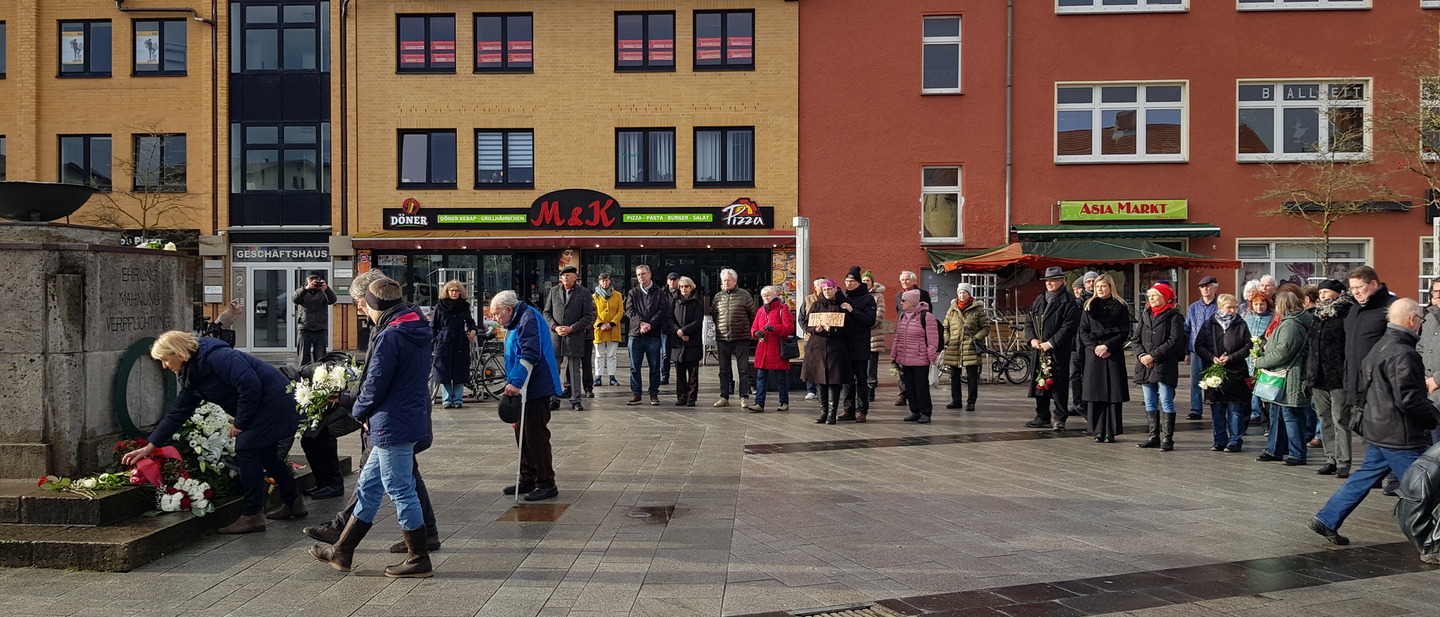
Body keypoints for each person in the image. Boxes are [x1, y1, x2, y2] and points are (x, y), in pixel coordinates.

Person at [302, 269, 443, 556]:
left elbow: (375, 381)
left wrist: (358, 410)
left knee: (400, 488)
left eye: (360, 303)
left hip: (391, 420)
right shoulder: (410, 324)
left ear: (371, 300)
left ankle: (419, 555)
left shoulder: (391, 333)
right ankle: (342, 549)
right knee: (370, 484)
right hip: (399, 417)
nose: (360, 309)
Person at [123, 330, 305, 535]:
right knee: (267, 455)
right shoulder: (192, 373)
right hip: (263, 405)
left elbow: (250, 385)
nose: (164, 366)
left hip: (275, 402)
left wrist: (241, 422)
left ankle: (253, 515)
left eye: (165, 360)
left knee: (246, 449)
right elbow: (178, 412)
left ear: (178, 352)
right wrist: (150, 446)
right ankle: (293, 502)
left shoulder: (217, 357)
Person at [1310, 298, 1437, 551]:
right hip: (1399, 435)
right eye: (1421, 320)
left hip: (1378, 428)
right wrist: (1433, 415)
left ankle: (1326, 519)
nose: (1421, 325)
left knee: (1364, 477)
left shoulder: (1381, 344)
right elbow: (1408, 399)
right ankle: (1428, 543)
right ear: (1412, 320)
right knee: (1422, 488)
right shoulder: (1404, 352)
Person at [493, 289, 564, 501]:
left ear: (508, 309)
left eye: (497, 314)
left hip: (536, 386)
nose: (495, 318)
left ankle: (546, 482)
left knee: (535, 435)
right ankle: (528, 477)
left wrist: (515, 383)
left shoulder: (528, 318)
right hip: (525, 385)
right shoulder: (516, 320)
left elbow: (530, 352)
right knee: (521, 433)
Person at [1345, 266, 1398, 492]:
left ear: (1374, 284)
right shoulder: (1354, 309)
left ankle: (1394, 475)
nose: (1355, 292)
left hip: (1381, 383)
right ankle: (1373, 474)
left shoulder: (1389, 308)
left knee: (1387, 430)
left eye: (1359, 287)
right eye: (1352, 288)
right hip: (1356, 381)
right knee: (1367, 431)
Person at [1254, 290, 1314, 466]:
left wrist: (1260, 361)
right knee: (1277, 414)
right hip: (1285, 375)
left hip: (1289, 377)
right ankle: (1274, 450)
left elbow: (1283, 352)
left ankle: (1297, 453)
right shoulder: (1292, 321)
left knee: (1290, 415)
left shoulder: (1291, 324)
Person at [1195, 293, 1254, 453]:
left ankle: (1235, 440)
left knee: (1235, 409)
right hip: (1215, 372)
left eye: (1235, 307)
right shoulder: (1209, 324)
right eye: (1229, 308)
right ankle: (1219, 440)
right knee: (1217, 409)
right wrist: (1212, 358)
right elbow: (1199, 345)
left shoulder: (1240, 324)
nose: (1233, 311)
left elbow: (1248, 345)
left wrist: (1231, 357)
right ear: (1220, 307)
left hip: (1235, 372)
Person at [1025, 267, 1081, 431]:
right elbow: (1029, 320)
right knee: (1040, 382)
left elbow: (1069, 327)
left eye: (1053, 280)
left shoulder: (1069, 302)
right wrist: (1031, 339)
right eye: (1047, 280)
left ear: (1062, 281)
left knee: (1058, 385)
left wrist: (1051, 343)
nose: (1049, 283)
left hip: (1058, 350)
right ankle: (1042, 416)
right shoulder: (1040, 299)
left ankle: (1060, 417)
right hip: (1039, 349)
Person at [1308, 279, 1353, 477]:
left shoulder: (1346, 313)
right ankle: (1331, 459)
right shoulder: (1317, 314)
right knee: (1324, 419)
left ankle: (1344, 461)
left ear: (1338, 293)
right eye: (1320, 292)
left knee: (1340, 419)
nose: (1323, 295)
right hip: (1318, 375)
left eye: (1326, 292)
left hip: (1338, 376)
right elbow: (1311, 346)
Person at [1133, 282, 1186, 451]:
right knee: (1149, 401)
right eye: (1149, 296)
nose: (1151, 298)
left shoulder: (1175, 317)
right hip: (1145, 365)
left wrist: (1153, 356)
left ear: (1165, 297)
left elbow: (1174, 341)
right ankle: (1153, 436)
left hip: (1164, 365)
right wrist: (1142, 356)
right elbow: (1136, 339)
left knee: (1166, 400)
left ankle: (1168, 439)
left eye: (1155, 295)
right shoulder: (1146, 314)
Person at [1079, 274, 1130, 443]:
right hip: (1094, 355)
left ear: (1110, 287)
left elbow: (1124, 331)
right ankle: (1098, 430)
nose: (1100, 289)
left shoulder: (1120, 306)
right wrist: (1095, 347)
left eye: (1103, 286)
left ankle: (1111, 431)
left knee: (1112, 394)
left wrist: (1107, 346)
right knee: (1096, 393)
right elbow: (1083, 331)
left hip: (1113, 354)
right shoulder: (1089, 306)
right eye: (1098, 286)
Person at [543, 266, 596, 412]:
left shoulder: (584, 292)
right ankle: (554, 398)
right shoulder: (554, 291)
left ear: (575, 277)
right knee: (554, 369)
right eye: (563, 275)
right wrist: (555, 327)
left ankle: (576, 400)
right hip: (557, 337)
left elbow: (588, 315)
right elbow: (546, 313)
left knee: (574, 370)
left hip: (575, 336)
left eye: (568, 275)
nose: (565, 277)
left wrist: (572, 328)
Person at [802, 279, 850, 424]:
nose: (827, 292)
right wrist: (814, 329)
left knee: (834, 381)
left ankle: (832, 414)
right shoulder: (816, 305)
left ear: (835, 289)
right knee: (820, 380)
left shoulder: (842, 305)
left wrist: (833, 330)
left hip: (836, 349)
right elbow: (806, 323)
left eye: (829, 289)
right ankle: (823, 413)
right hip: (817, 348)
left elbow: (849, 328)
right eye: (824, 289)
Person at [711, 268, 758, 408]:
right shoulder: (718, 297)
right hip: (722, 338)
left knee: (743, 369)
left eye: (728, 280)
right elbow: (714, 315)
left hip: (741, 337)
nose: (726, 282)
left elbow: (753, 314)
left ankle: (744, 396)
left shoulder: (745, 295)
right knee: (723, 370)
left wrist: (748, 331)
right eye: (724, 280)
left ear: (735, 281)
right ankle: (724, 396)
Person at [893, 288, 941, 423]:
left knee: (921, 387)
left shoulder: (926, 316)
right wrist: (894, 353)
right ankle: (915, 411)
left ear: (913, 302)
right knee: (909, 386)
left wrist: (932, 355)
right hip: (905, 357)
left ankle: (925, 412)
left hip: (920, 357)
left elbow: (932, 338)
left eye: (904, 300)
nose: (901, 303)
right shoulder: (903, 316)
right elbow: (898, 336)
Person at [624, 265, 670, 406]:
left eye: (643, 274)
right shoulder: (633, 292)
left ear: (650, 274)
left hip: (653, 334)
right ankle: (636, 393)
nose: (640, 277)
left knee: (655, 366)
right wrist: (641, 323)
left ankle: (653, 393)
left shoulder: (660, 293)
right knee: (634, 366)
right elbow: (629, 310)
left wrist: (649, 324)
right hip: (635, 334)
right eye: (638, 274)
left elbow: (662, 310)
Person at [940, 282, 990, 412]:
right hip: (954, 346)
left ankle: (971, 402)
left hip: (970, 346)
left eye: (964, 293)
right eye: (960, 293)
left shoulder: (977, 309)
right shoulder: (952, 309)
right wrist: (947, 339)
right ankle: (956, 401)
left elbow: (985, 327)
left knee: (972, 376)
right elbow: (945, 327)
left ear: (969, 294)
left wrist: (976, 338)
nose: (962, 295)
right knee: (954, 375)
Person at [431, 280, 480, 409]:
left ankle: (458, 399)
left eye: (456, 291)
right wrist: (435, 340)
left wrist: (473, 331)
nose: (454, 293)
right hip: (444, 341)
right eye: (451, 290)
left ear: (460, 292)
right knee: (444, 371)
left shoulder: (464, 306)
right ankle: (447, 399)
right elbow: (433, 326)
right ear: (447, 292)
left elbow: (470, 322)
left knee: (460, 371)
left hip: (460, 341)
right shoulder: (439, 306)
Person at [839, 266, 878, 420]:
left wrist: (852, 310)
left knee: (861, 378)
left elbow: (869, 321)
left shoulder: (867, 298)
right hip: (845, 344)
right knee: (846, 379)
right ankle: (848, 409)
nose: (848, 284)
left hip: (860, 343)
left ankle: (862, 410)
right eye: (846, 281)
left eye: (852, 281)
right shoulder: (843, 296)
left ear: (858, 282)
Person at [749, 285, 796, 413]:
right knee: (761, 377)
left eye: (768, 295)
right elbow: (754, 327)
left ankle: (784, 402)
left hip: (777, 349)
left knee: (780, 378)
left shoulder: (782, 309)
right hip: (763, 348)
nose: (765, 297)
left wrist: (775, 328)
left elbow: (789, 328)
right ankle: (759, 403)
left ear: (775, 295)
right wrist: (756, 333)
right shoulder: (761, 310)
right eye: (763, 295)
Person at [893, 270, 931, 408]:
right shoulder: (898, 295)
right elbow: (899, 313)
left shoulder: (922, 294)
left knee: (919, 375)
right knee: (902, 370)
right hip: (904, 334)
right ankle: (904, 394)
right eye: (902, 280)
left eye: (907, 279)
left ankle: (922, 405)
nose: (904, 282)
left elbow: (928, 313)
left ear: (914, 281)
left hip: (917, 337)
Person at [1186, 276, 1221, 420]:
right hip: (1196, 350)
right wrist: (1186, 352)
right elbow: (1187, 329)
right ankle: (1196, 409)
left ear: (1215, 287)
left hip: (1215, 350)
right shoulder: (1193, 307)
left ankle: (1216, 407)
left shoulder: (1220, 305)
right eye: (1202, 287)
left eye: (1208, 286)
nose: (1205, 289)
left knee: (1215, 380)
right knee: (1196, 381)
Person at [1243, 285, 1275, 426]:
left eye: (1262, 304)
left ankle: (1259, 414)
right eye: (1256, 304)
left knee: (1260, 384)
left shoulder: (1272, 317)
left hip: (1263, 355)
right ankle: (1251, 411)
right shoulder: (1246, 316)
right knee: (1249, 383)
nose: (1259, 307)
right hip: (1248, 355)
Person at [671, 277, 705, 406]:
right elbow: (669, 319)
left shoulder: (697, 303)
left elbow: (698, 321)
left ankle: (691, 398)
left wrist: (685, 331)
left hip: (692, 341)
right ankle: (681, 397)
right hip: (677, 342)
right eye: (681, 286)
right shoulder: (674, 302)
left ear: (691, 287)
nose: (684, 289)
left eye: (686, 286)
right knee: (679, 373)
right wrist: (678, 332)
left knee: (693, 373)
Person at [1069, 271, 1099, 417]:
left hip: (1092, 345)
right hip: (1075, 344)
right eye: (1088, 281)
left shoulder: (1100, 300)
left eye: (1094, 281)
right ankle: (1077, 405)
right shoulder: (1076, 302)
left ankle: (1088, 404)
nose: (1091, 284)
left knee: (1090, 376)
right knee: (1075, 375)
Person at [292, 273, 337, 365]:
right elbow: (295, 300)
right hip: (304, 328)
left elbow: (333, 300)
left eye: (316, 279)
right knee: (304, 358)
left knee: (320, 358)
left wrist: (326, 289)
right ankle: (303, 373)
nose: (314, 281)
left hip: (320, 328)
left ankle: (319, 373)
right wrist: (306, 289)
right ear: (307, 280)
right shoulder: (301, 291)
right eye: (311, 279)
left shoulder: (323, 292)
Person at [592, 272, 624, 388]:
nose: (604, 282)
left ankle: (612, 377)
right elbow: (592, 312)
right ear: (599, 282)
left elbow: (620, 311)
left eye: (606, 280)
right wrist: (600, 324)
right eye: (602, 280)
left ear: (610, 281)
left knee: (612, 354)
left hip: (613, 328)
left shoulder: (618, 295)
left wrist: (611, 323)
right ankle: (598, 377)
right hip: (599, 329)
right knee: (599, 355)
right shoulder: (594, 296)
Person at [797, 276, 826, 400]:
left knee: (823, 364)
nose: (823, 289)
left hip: (826, 338)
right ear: (815, 287)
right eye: (821, 286)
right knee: (810, 364)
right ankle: (811, 389)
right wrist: (808, 329)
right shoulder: (808, 299)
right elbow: (801, 318)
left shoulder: (831, 300)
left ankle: (822, 389)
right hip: (810, 337)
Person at [863, 271, 889, 402]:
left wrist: (867, 324)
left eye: (867, 280)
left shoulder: (878, 296)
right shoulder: (859, 295)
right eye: (863, 280)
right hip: (860, 336)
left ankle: (871, 389)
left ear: (872, 282)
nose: (865, 283)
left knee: (872, 365)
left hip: (874, 335)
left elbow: (880, 313)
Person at [660, 272, 682, 385]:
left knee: (678, 353)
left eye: (675, 280)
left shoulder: (682, 292)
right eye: (670, 280)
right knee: (665, 354)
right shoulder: (662, 293)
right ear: (667, 281)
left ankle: (680, 376)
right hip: (665, 328)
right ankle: (664, 375)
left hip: (678, 327)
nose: (672, 282)